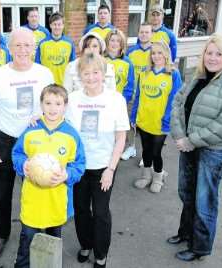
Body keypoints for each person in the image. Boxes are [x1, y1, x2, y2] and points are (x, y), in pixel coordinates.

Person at [169, 34, 222, 261]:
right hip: (188, 146)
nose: (213, 58)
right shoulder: (198, 77)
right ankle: (185, 233)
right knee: (186, 193)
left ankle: (200, 247)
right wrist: (179, 134)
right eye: (209, 52)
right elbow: (177, 103)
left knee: (204, 200)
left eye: (219, 54)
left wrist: (191, 140)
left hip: (212, 151)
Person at [0, 27, 54, 259]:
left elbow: (55, 106)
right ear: (9, 48)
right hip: (5, 139)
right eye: (17, 45)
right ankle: (2, 233)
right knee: (2, 193)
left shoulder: (45, 74)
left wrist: (43, 119)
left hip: (34, 142)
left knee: (35, 190)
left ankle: (38, 230)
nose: (22, 49)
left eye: (27, 45)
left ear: (34, 48)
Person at [12, 84, 86, 268]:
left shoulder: (71, 135)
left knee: (53, 241)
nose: (53, 108)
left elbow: (80, 164)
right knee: (28, 237)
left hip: (56, 201)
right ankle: (22, 264)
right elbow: (17, 154)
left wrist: (67, 175)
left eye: (58, 103)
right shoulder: (31, 130)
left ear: (65, 106)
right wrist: (24, 164)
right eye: (48, 103)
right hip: (32, 200)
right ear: (41, 105)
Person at [66, 53, 129, 268]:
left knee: (101, 212)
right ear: (79, 75)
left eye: (96, 72)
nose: (91, 77)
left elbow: (121, 137)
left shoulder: (115, 99)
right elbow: (58, 122)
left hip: (104, 166)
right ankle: (86, 244)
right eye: (86, 73)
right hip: (79, 166)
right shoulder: (72, 99)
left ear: (103, 74)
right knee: (81, 210)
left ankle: (101, 253)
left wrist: (111, 169)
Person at [130, 41, 182, 193]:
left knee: (155, 152)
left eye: (160, 52)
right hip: (144, 119)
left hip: (160, 122)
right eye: (153, 53)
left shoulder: (173, 73)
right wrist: (133, 116)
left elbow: (175, 100)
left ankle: (158, 177)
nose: (156, 56)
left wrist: (167, 120)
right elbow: (138, 96)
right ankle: (146, 176)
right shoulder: (145, 72)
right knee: (145, 150)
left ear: (166, 54)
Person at [125, 22, 153, 162]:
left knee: (145, 125)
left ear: (151, 34)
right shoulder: (131, 52)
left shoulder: (155, 52)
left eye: (147, 32)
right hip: (133, 94)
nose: (144, 34)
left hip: (148, 95)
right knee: (130, 122)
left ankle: (145, 153)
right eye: (141, 32)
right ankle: (131, 147)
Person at [35, 12, 76, 86]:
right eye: (54, 24)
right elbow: (37, 66)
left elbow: (72, 66)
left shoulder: (69, 43)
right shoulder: (42, 44)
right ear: (50, 25)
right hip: (46, 83)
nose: (57, 27)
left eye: (59, 24)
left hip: (64, 83)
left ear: (63, 25)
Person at [104, 29, 133, 104]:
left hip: (119, 103)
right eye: (112, 40)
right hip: (102, 102)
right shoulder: (101, 60)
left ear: (122, 44)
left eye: (118, 41)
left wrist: (122, 101)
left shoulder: (127, 62)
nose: (115, 43)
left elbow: (129, 87)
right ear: (107, 42)